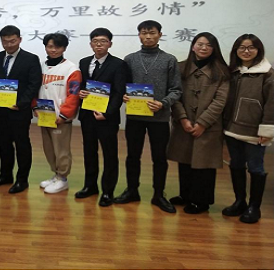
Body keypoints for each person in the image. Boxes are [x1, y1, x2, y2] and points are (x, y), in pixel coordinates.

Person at [114, 20, 182, 213]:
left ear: (160, 35)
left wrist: (163, 103)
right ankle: (132, 190)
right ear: (139, 35)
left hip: (159, 117)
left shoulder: (169, 60)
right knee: (132, 156)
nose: (148, 36)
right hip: (135, 117)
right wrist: (124, 95)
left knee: (159, 158)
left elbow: (176, 90)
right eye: (144, 33)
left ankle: (158, 194)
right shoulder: (130, 59)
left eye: (152, 33)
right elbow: (123, 85)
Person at [167, 33, 230, 214]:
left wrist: (202, 123)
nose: (203, 48)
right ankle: (185, 195)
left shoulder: (222, 71)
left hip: (209, 127)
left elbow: (220, 101)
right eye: (200, 44)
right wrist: (182, 118)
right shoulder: (181, 68)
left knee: (204, 165)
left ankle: (202, 202)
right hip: (184, 124)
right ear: (193, 46)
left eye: (208, 45)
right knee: (184, 161)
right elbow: (174, 94)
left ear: (214, 49)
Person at [222, 34, 273, 223]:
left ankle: (254, 207)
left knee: (256, 167)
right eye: (242, 47)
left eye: (251, 47)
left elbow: (272, 104)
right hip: (232, 128)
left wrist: (267, 130)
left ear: (258, 50)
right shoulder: (232, 72)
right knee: (236, 164)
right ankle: (239, 202)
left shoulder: (267, 74)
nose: (246, 51)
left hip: (255, 131)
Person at [0, 25, 42, 194]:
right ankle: (5, 175)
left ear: (19, 39)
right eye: (5, 41)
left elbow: (34, 84)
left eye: (12, 41)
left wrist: (21, 103)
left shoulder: (30, 59)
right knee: (3, 145)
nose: (9, 45)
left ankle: (22, 179)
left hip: (19, 110)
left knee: (22, 144)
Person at [76, 28, 127, 206]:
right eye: (95, 41)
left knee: (109, 154)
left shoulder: (118, 64)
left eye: (103, 41)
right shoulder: (84, 62)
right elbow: (81, 86)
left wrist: (107, 113)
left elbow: (119, 92)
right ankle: (90, 186)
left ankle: (107, 191)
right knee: (89, 152)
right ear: (90, 44)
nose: (99, 44)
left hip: (106, 118)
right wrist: (80, 93)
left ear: (110, 44)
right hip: (87, 115)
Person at [34, 33, 81, 194]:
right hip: (44, 115)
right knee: (49, 148)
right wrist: (34, 107)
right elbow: (35, 88)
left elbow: (73, 94)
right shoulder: (41, 66)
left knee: (61, 149)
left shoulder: (71, 69)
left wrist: (64, 115)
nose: (53, 50)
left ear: (64, 48)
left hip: (60, 118)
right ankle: (56, 174)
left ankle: (63, 178)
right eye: (50, 46)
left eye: (57, 47)